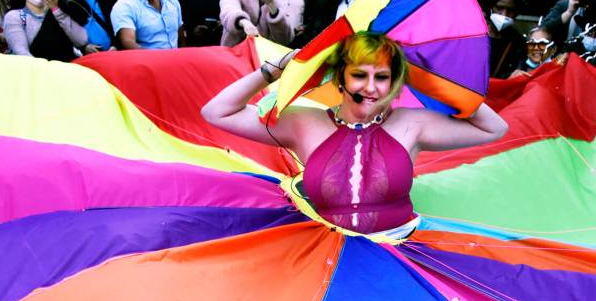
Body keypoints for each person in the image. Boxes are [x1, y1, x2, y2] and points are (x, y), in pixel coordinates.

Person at [202, 32, 507, 236]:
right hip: (326, 256)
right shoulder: (303, 123)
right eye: (359, 75)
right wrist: (276, 69)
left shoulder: (413, 123)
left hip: (401, 256)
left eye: (383, 77)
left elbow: (494, 127)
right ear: (341, 79)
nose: (371, 88)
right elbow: (217, 112)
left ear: (394, 83)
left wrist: (432, 82)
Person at [3, 0, 87, 60]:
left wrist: (55, 8)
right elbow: (21, 53)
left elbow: (81, 40)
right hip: (36, 71)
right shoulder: (15, 17)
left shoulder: (59, 10)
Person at [486, 0, 524, 78]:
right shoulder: (474, 35)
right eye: (500, 8)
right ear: (490, 9)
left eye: (510, 10)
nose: (504, 14)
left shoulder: (518, 41)